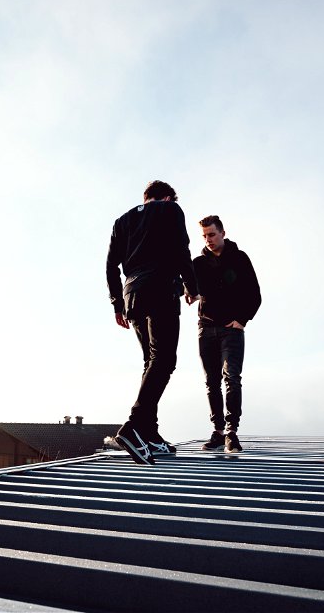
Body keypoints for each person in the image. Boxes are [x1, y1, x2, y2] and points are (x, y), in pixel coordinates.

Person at [106, 180, 198, 465]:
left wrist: (116, 304)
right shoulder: (171, 211)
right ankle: (133, 427)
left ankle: (150, 433)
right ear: (167, 197)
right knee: (164, 360)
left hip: (132, 294)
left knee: (151, 363)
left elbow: (110, 265)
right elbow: (182, 248)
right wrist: (191, 286)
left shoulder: (122, 221)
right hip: (160, 288)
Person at [193, 215, 261, 454]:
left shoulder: (240, 258)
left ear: (222, 232)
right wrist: (189, 293)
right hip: (206, 328)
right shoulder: (198, 263)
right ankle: (218, 432)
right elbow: (189, 289)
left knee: (231, 378)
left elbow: (255, 294)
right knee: (211, 382)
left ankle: (232, 432)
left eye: (212, 234)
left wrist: (242, 320)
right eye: (204, 236)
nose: (208, 240)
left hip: (231, 329)